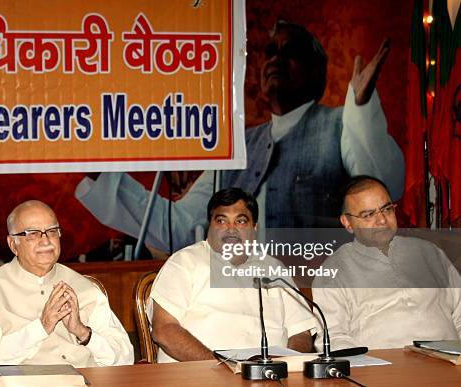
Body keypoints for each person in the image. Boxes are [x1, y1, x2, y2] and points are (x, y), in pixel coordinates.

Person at [75, 21, 405, 253]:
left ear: (317, 71)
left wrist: (362, 109)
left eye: (289, 52)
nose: (275, 59)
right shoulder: (237, 144)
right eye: (270, 51)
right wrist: (100, 172)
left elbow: (383, 182)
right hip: (244, 300)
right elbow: (182, 226)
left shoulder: (340, 125)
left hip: (320, 297)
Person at [149, 188, 317, 362]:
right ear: (210, 226)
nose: (231, 229)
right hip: (202, 375)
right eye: (221, 221)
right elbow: (164, 330)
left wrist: (285, 365)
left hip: (270, 377)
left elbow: (301, 332)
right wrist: (220, 366)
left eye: (240, 221)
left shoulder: (273, 268)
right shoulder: (185, 262)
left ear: (254, 228)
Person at [0, 200, 133, 374]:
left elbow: (126, 357)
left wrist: (83, 332)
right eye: (32, 234)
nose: (45, 241)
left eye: (52, 232)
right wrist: (40, 328)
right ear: (12, 244)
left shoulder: (85, 288)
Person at [312, 176, 461, 350]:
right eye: (368, 215)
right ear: (347, 223)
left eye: (387, 209)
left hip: (450, 363)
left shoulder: (428, 252)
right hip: (383, 370)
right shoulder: (334, 270)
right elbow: (334, 336)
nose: (382, 220)